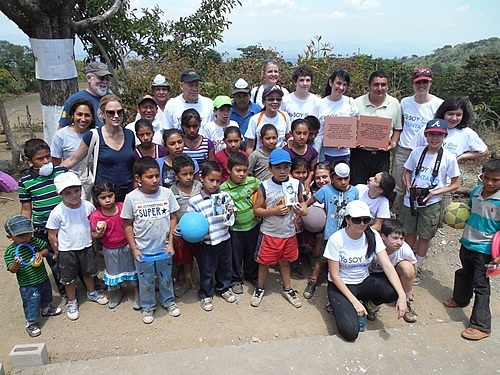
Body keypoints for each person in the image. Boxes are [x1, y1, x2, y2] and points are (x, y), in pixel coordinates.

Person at [324, 200, 407, 342]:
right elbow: (334, 275)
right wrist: (355, 301)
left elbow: (387, 265)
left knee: (392, 291)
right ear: (347, 220)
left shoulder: (372, 235)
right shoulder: (336, 239)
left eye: (366, 220)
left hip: (363, 281)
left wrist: (402, 295)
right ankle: (344, 305)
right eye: (357, 220)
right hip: (342, 285)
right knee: (350, 333)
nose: (362, 223)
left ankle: (369, 305)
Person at [443, 159, 500, 341]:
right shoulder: (476, 191)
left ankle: (481, 325)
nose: (489, 183)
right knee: (465, 272)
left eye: (496, 180)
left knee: (481, 285)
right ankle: (460, 299)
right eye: (486, 178)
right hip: (467, 241)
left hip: (486, 248)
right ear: (481, 176)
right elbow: (467, 210)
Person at [121, 156, 181, 324]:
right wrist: (134, 248)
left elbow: (173, 218)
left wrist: (170, 243)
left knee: (166, 276)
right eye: (149, 177)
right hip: (143, 250)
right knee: (145, 279)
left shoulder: (167, 193)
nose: (155, 180)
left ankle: (168, 301)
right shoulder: (131, 198)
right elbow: (127, 224)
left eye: (157, 176)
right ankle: (148, 306)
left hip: (164, 248)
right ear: (138, 178)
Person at [402, 119, 460, 285]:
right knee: (410, 233)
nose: (435, 138)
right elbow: (407, 171)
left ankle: (418, 267)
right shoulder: (417, 152)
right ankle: (405, 263)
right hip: (411, 199)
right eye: (432, 134)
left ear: (444, 137)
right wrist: (408, 185)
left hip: (432, 202)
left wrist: (435, 192)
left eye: (439, 135)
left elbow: (455, 183)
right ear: (426, 135)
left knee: (425, 236)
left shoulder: (449, 157)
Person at [46, 172, 108, 321]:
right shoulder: (57, 212)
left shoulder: (88, 206)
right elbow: (51, 234)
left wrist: (95, 241)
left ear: (81, 189)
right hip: (67, 250)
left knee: (89, 272)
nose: (73, 195)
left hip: (85, 246)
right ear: (59, 194)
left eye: (76, 191)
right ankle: (72, 300)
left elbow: (93, 225)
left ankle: (91, 292)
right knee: (68, 278)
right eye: (67, 193)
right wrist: (56, 251)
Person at [250, 149, 308, 308]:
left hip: (288, 232)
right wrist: (273, 211)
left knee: (285, 262)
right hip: (269, 233)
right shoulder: (265, 186)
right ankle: (260, 288)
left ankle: (288, 289)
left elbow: (302, 202)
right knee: (264, 262)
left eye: (286, 167)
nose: (282, 171)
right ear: (270, 169)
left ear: (290, 167)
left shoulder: (296, 184)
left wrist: (303, 210)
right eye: (277, 167)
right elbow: (256, 210)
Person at [61, 94, 136, 202]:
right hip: (103, 198)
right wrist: (53, 172)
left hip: (128, 195)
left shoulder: (129, 134)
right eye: (111, 112)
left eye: (119, 112)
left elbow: (132, 164)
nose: (116, 116)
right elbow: (73, 159)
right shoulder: (94, 136)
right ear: (102, 114)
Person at [391, 68, 443, 217]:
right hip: (404, 149)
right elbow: (398, 124)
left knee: (422, 185)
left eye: (425, 82)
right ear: (413, 84)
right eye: (418, 82)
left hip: (426, 151)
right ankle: (397, 216)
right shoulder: (405, 102)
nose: (421, 86)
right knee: (399, 186)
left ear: (430, 82)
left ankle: (419, 218)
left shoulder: (438, 104)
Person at [19, 138, 67, 297]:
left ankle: (90, 285)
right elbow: (26, 209)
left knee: (77, 255)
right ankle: (65, 291)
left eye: (48, 156)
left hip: (67, 224)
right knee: (55, 260)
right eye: (40, 159)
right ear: (28, 161)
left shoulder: (61, 172)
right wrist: (24, 231)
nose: (46, 161)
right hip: (43, 228)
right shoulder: (25, 182)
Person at [303, 162, 359, 299]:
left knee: (342, 261)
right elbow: (308, 203)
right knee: (322, 258)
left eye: (346, 178)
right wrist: (301, 211)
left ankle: (338, 286)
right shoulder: (326, 191)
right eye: (339, 178)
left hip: (347, 234)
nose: (343, 182)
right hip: (330, 233)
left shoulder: (354, 192)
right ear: (333, 177)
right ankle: (313, 280)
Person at [187, 162, 237, 312]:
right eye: (211, 180)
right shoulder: (195, 201)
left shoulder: (224, 196)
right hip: (207, 242)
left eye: (218, 180)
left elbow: (232, 216)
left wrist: (230, 213)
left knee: (225, 266)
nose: (215, 184)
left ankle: (223, 288)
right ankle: (205, 294)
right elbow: (191, 222)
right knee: (207, 269)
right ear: (202, 178)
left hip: (224, 238)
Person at [4, 215, 62, 337]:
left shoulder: (34, 241)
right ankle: (31, 322)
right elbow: (12, 270)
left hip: (42, 277)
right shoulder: (10, 251)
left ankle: (46, 309)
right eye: (20, 236)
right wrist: (16, 263)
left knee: (46, 294)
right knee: (31, 302)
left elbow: (46, 250)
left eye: (28, 233)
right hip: (28, 284)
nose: (25, 238)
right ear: (10, 237)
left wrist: (40, 253)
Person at [88, 180, 140, 310]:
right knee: (115, 272)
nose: (107, 200)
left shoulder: (123, 207)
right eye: (103, 197)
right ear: (96, 199)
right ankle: (119, 291)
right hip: (109, 249)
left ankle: (137, 292)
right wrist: (99, 233)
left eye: (110, 196)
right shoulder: (96, 216)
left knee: (133, 269)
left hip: (128, 245)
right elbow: (94, 235)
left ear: (114, 194)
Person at [351, 70, 402, 185]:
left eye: (383, 85)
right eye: (376, 84)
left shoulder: (394, 104)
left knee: (380, 188)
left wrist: (393, 143)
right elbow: (351, 126)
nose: (380, 88)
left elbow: (398, 128)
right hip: (360, 154)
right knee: (358, 186)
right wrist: (352, 141)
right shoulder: (357, 103)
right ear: (369, 86)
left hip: (382, 155)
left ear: (388, 87)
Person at [220, 152, 261, 294]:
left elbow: (263, 189)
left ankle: (251, 275)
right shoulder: (223, 188)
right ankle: (236, 279)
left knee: (251, 253)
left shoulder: (252, 181)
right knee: (235, 256)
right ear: (229, 170)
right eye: (238, 170)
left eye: (244, 170)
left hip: (252, 225)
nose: (242, 174)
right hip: (235, 229)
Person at [412, 96, 489, 161]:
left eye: (458, 115)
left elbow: (484, 151)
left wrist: (460, 157)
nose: (454, 118)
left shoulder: (467, 133)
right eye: (450, 114)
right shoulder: (430, 127)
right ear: (443, 113)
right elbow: (413, 149)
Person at [370, 219, 418, 323]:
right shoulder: (372, 245)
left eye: (402, 238)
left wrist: (409, 287)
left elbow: (414, 266)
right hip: (370, 275)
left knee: (407, 268)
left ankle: (405, 301)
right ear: (383, 237)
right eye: (395, 238)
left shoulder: (405, 249)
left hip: (390, 275)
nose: (399, 242)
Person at [171, 154, 203, 298]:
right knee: (185, 258)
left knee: (202, 256)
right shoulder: (171, 192)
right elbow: (171, 214)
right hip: (182, 233)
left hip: (201, 232)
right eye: (184, 174)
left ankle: (205, 281)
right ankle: (188, 279)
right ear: (175, 175)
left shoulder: (199, 186)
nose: (189, 177)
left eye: (191, 173)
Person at [51, 99, 95, 199]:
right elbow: (56, 164)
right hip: (71, 186)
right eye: (79, 114)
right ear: (72, 116)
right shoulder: (61, 135)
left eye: (87, 115)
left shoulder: (96, 134)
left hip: (93, 182)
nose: (83, 119)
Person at [313, 68, 358, 164]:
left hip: (343, 154)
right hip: (323, 154)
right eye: (338, 83)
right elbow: (316, 131)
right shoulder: (320, 104)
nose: (341, 87)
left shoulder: (350, 103)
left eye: (344, 84)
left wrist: (347, 140)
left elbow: (353, 128)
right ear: (331, 82)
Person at [59, 62, 112, 130]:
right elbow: (62, 128)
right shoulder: (74, 100)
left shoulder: (112, 99)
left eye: (107, 79)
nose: (105, 82)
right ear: (89, 78)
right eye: (101, 78)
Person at [245, 85, 291, 153]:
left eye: (278, 99)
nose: (275, 102)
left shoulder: (285, 116)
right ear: (263, 102)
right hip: (261, 158)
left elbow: (289, 138)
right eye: (271, 99)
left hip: (280, 158)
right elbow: (250, 146)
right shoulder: (255, 119)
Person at [283, 118, 318, 190]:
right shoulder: (285, 152)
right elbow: (283, 170)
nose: (302, 137)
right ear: (291, 133)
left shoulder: (312, 151)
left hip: (307, 186)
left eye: (305, 133)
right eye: (298, 133)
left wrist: (308, 180)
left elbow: (313, 170)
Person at [230, 78, 262, 147]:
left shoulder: (258, 110)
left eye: (244, 95)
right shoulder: (228, 110)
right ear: (234, 97)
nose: (242, 99)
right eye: (238, 96)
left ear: (249, 96)